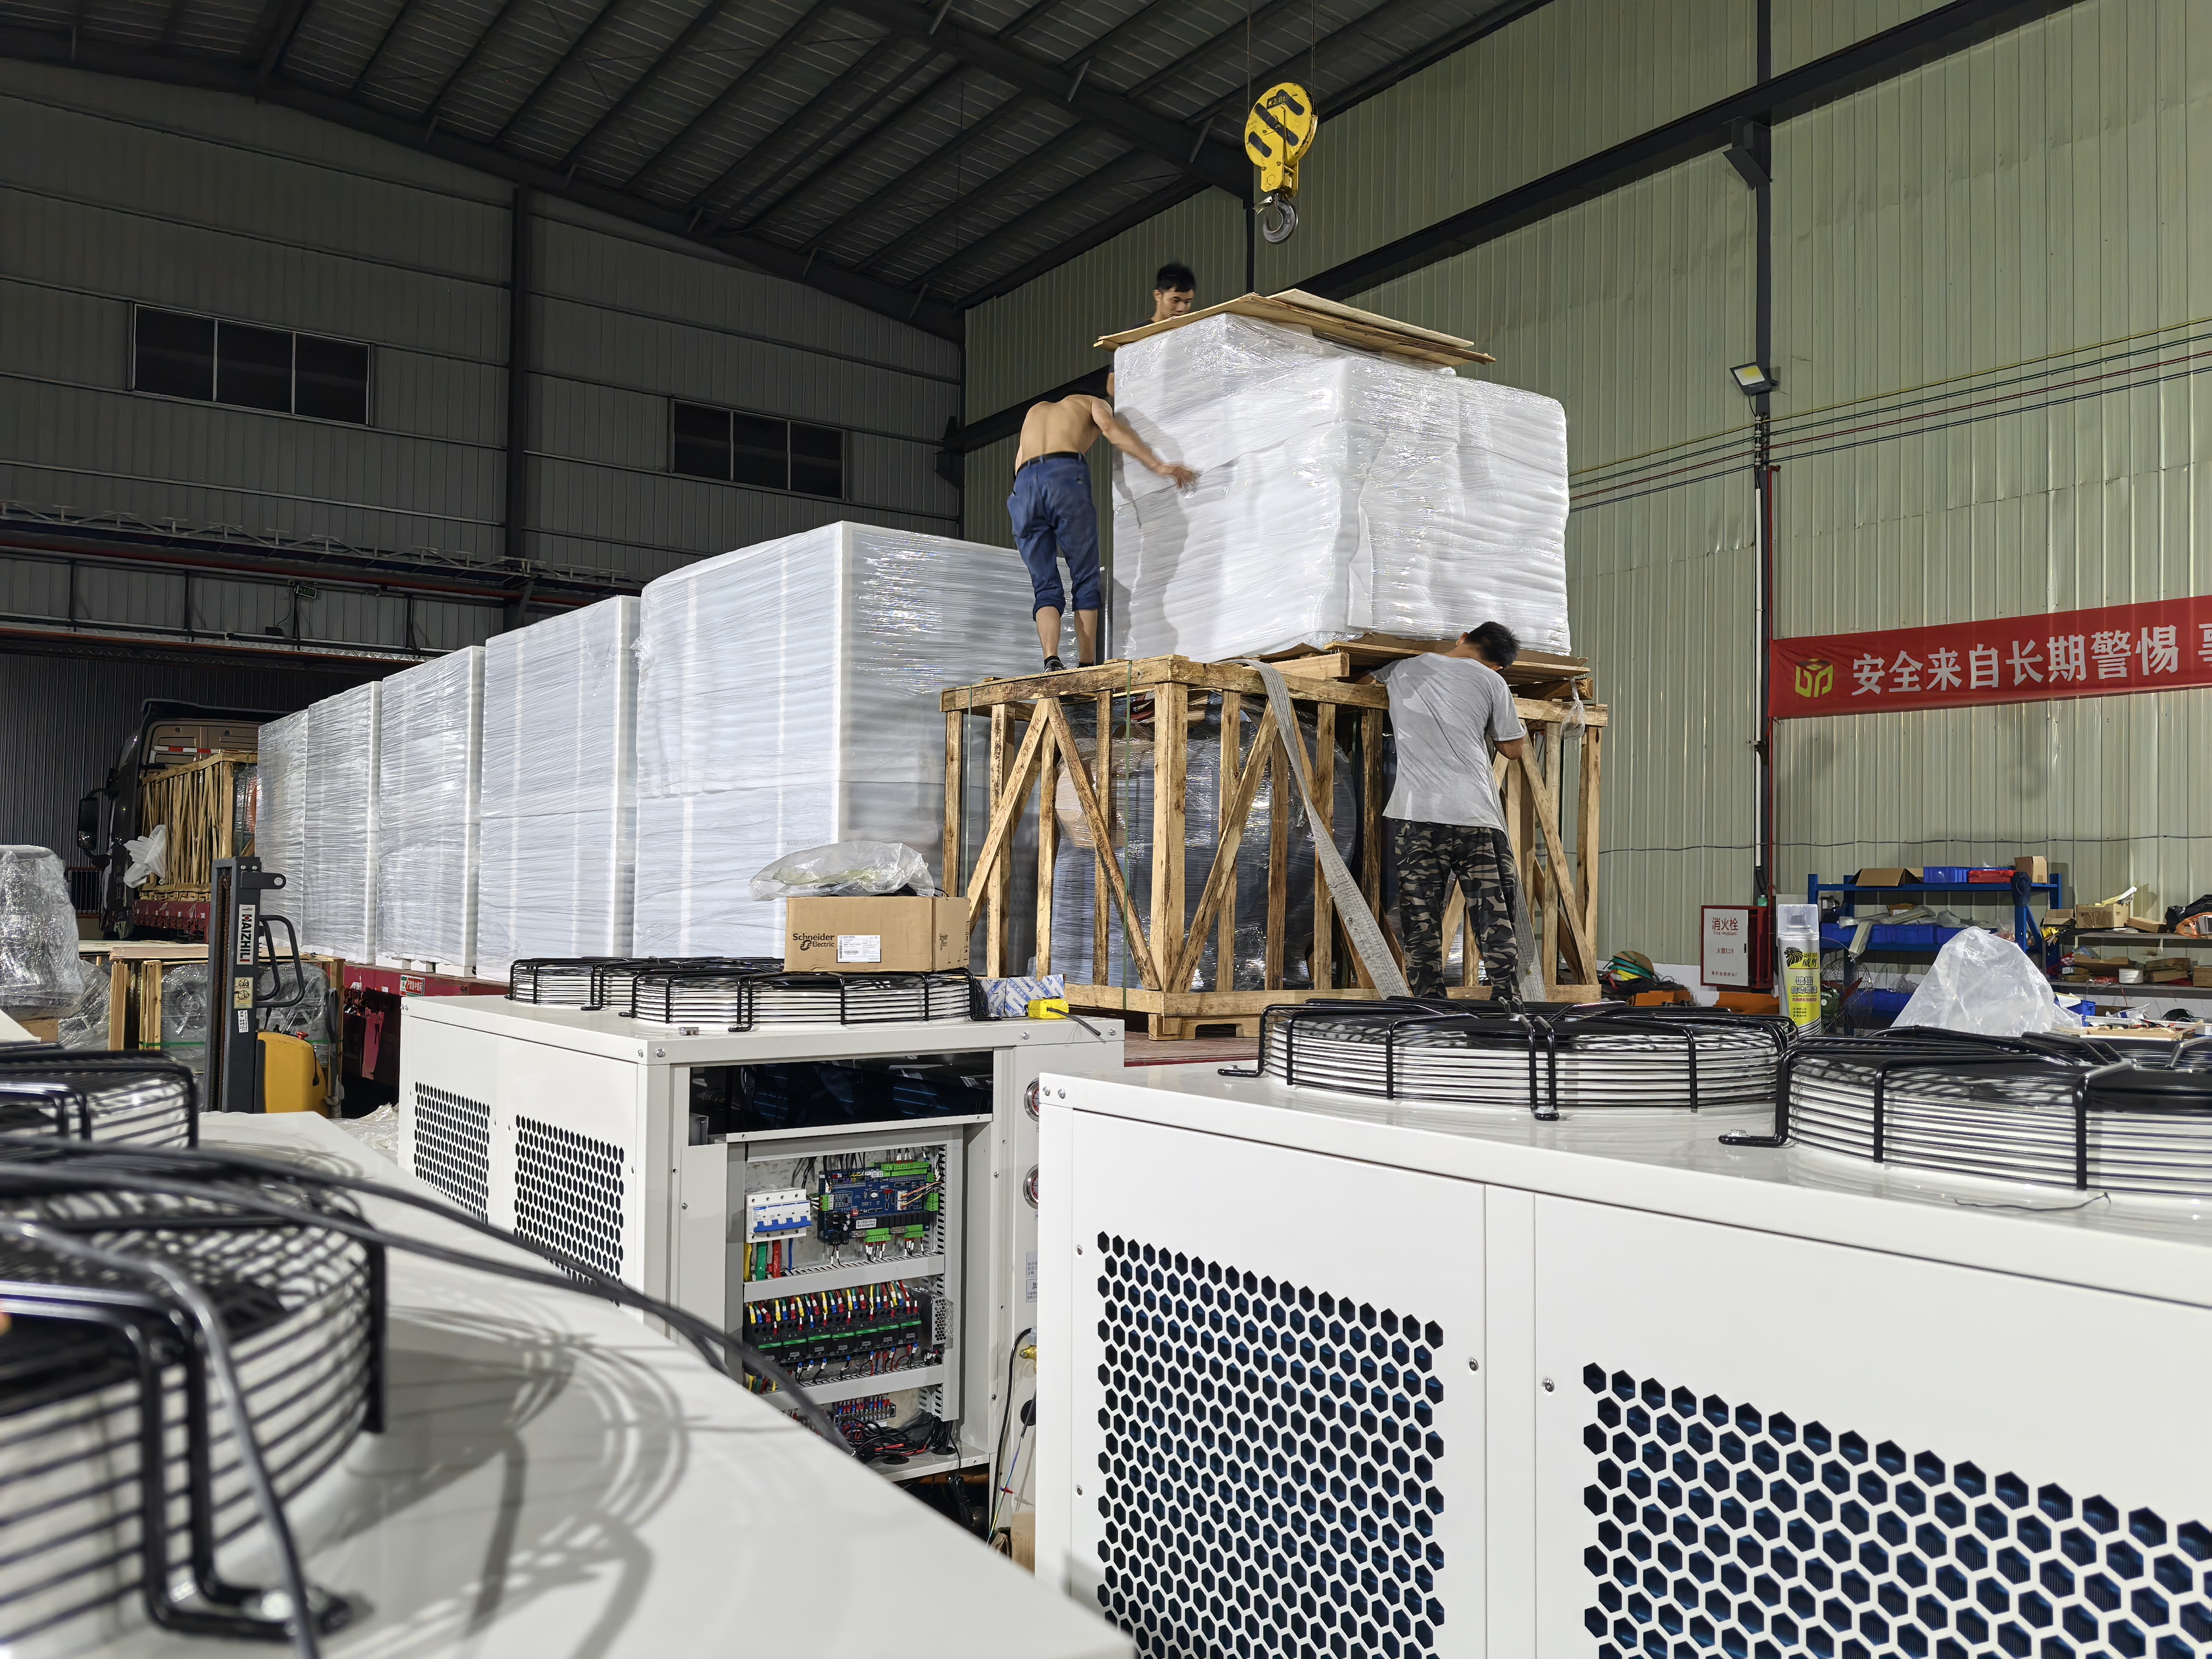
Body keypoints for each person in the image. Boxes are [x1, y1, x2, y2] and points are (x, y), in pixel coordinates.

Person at [1369, 621, 1529, 1004]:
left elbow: (1364, 684)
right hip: (1475, 816)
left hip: (1416, 815)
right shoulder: (1493, 682)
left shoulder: (1402, 669)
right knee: (1492, 910)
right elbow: (1512, 750)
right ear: (1498, 665)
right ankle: (1507, 999)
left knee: (1419, 913)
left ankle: (1429, 1002)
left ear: (1463, 638)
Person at [1008, 395, 1194, 671]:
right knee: (1084, 577)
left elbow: (1019, 463)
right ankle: (1086, 665)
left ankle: (1051, 660)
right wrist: (1158, 466)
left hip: (1023, 488)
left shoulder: (1035, 411)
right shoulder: (1092, 403)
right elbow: (1111, 429)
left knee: (1045, 586)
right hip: (1064, 475)